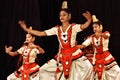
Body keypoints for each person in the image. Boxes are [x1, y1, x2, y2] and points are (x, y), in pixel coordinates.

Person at [18, 1, 94, 80]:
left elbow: (83, 26)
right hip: (62, 56)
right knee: (43, 70)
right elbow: (41, 33)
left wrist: (89, 21)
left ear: (69, 16)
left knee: (88, 68)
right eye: (60, 15)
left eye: (64, 15)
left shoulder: (73, 27)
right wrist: (26, 29)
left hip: (74, 53)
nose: (62, 17)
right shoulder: (56, 29)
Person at [77, 15, 120, 80]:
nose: (94, 29)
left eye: (96, 27)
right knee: (98, 76)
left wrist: (100, 34)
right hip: (97, 58)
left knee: (117, 71)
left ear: (100, 27)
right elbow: (83, 45)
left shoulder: (106, 33)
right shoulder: (91, 38)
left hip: (106, 57)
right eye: (93, 27)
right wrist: (74, 47)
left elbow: (106, 36)